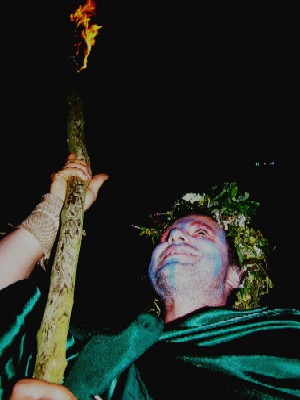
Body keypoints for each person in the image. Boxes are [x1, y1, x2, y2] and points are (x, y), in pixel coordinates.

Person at [1, 154, 300, 400]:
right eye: (168, 235)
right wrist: (54, 210)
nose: (176, 236)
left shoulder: (281, 338)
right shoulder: (98, 352)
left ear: (236, 274)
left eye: (201, 233)